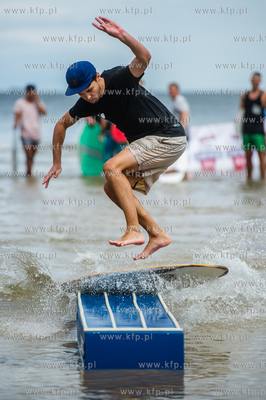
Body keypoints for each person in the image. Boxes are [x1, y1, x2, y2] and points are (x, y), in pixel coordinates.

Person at [42, 17, 186, 260]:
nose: (87, 97)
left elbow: (145, 57)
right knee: (111, 188)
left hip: (165, 136)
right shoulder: (87, 103)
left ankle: (133, 230)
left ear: (97, 77)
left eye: (89, 90)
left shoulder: (119, 77)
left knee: (111, 166)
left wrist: (122, 36)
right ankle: (157, 234)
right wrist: (57, 162)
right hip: (152, 143)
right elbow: (60, 125)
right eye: (81, 94)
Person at [14, 85, 47, 176]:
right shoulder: (20, 103)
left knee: (32, 156)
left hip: (36, 134)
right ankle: (29, 173)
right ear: (26, 92)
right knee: (28, 154)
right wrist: (15, 124)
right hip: (25, 133)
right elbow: (17, 114)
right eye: (28, 92)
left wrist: (37, 100)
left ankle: (29, 171)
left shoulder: (38, 103)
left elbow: (44, 113)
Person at [240, 72, 266, 180]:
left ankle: (262, 180)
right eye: (254, 79)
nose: (255, 81)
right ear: (251, 80)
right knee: (248, 156)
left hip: (258, 131)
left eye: (257, 79)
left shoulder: (263, 95)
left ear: (260, 81)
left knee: (261, 156)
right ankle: (249, 180)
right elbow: (241, 112)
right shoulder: (245, 95)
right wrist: (238, 129)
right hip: (246, 130)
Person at [167, 83, 191, 179]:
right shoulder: (178, 100)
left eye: (173, 91)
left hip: (181, 133)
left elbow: (185, 113)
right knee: (183, 156)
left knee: (181, 155)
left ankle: (185, 175)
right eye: (170, 91)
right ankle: (186, 176)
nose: (171, 93)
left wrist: (181, 129)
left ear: (178, 91)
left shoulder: (179, 100)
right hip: (183, 132)